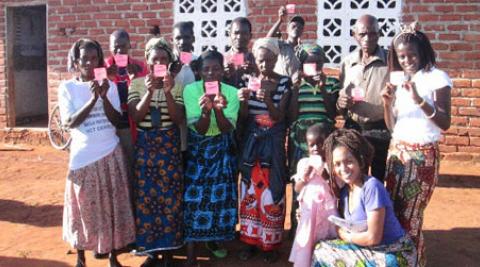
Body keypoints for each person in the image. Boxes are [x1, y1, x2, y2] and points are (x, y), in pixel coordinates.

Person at [59, 38, 135, 267]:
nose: (90, 64)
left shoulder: (109, 85)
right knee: (83, 209)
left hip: (110, 153)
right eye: (85, 59)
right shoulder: (68, 88)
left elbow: (117, 120)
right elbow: (70, 122)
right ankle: (81, 257)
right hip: (84, 158)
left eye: (95, 59)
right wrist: (93, 99)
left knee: (113, 207)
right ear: (76, 61)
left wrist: (103, 97)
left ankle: (113, 257)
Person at [382, 22, 452, 267]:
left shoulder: (437, 78)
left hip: (422, 156)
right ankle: (398, 260)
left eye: (412, 54)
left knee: (411, 215)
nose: (407, 60)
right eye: (402, 56)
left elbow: (445, 122)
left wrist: (420, 100)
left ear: (422, 51)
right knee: (393, 211)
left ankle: (413, 262)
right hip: (397, 154)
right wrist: (386, 102)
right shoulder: (402, 81)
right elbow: (393, 126)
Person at [311, 129, 417, 267]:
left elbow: (373, 237)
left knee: (325, 253)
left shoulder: (372, 188)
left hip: (395, 253)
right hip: (371, 250)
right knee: (321, 249)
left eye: (348, 161)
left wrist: (345, 236)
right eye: (337, 164)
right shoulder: (345, 191)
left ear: (360, 161)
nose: (343, 169)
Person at [127, 37, 185, 267]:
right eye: (155, 59)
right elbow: (136, 116)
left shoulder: (177, 85)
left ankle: (169, 252)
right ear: (148, 62)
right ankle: (152, 252)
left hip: (169, 145)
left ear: (169, 62)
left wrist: (168, 91)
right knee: (147, 199)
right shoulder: (137, 85)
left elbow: (178, 118)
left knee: (171, 199)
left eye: (164, 59)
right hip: (146, 146)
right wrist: (149, 92)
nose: (159, 62)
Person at [182, 50, 240, 266]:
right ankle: (191, 248)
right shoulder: (191, 90)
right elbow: (198, 128)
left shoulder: (231, 93)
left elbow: (226, 129)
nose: (211, 73)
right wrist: (205, 112)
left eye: (216, 68)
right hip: (198, 150)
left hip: (221, 149)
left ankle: (214, 240)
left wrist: (219, 110)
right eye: (206, 69)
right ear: (198, 71)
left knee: (220, 197)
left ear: (223, 71)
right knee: (193, 198)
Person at [237, 37, 291, 264]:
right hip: (253, 143)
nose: (265, 65)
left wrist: (268, 101)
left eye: (269, 60)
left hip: (273, 144)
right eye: (261, 60)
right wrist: (242, 101)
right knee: (250, 191)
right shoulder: (248, 81)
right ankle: (249, 242)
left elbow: (280, 117)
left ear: (276, 59)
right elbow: (242, 117)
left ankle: (270, 244)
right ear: (255, 60)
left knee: (272, 190)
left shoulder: (284, 83)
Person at [287, 44, 340, 234]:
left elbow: (333, 113)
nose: (314, 65)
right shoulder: (295, 84)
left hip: (324, 137)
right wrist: (294, 88)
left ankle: (327, 225)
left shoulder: (332, 82)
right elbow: (292, 115)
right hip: (301, 138)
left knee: (326, 180)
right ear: (302, 64)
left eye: (318, 61)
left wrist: (324, 88)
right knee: (301, 180)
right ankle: (297, 226)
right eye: (309, 61)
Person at [336, 14, 390, 181]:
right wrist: (341, 102)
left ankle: (376, 207)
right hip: (354, 128)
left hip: (381, 128)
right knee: (354, 176)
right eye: (362, 34)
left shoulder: (391, 61)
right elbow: (339, 98)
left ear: (379, 34)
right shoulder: (347, 63)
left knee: (378, 176)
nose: (368, 38)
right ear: (354, 35)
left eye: (372, 33)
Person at [104, 29, 148, 205]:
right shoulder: (104, 67)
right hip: (109, 127)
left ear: (130, 46)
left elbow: (146, 94)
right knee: (112, 169)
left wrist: (135, 77)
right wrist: (108, 77)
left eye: (123, 47)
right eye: (116, 48)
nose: (120, 52)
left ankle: (132, 205)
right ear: (110, 48)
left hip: (130, 126)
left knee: (130, 166)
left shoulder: (139, 67)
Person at [288, 123, 338, 267]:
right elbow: (297, 188)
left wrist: (324, 172)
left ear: (328, 145)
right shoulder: (303, 163)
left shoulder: (332, 164)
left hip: (327, 212)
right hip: (309, 212)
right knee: (307, 239)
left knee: (326, 239)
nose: (315, 148)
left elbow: (336, 188)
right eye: (312, 145)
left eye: (320, 144)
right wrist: (304, 177)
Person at [171, 21, 197, 165]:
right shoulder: (167, 64)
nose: (182, 42)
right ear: (172, 40)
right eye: (178, 38)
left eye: (186, 37)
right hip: (172, 127)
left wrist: (198, 73)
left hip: (194, 127)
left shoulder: (199, 62)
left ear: (193, 39)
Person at [266, 6, 303, 77]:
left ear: (302, 32)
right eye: (293, 26)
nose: (296, 28)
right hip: (281, 85)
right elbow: (268, 40)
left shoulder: (303, 49)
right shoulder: (281, 45)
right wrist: (280, 21)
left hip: (296, 85)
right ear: (287, 30)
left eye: (300, 27)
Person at [223, 17, 256, 89]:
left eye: (244, 33)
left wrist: (254, 74)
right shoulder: (221, 60)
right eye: (236, 33)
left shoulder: (256, 60)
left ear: (250, 36)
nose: (239, 37)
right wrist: (224, 75)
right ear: (229, 34)